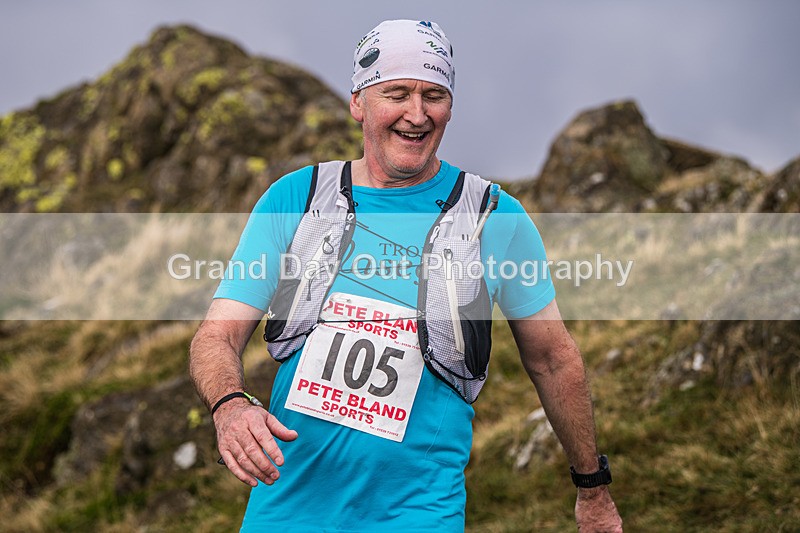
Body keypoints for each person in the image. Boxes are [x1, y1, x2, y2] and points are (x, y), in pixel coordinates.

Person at [189, 19, 622, 532]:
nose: (417, 114)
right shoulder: (296, 198)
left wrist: (593, 490)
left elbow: (553, 359)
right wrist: (229, 406)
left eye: (434, 96)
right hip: (285, 510)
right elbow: (217, 335)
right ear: (358, 102)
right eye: (397, 94)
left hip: (418, 514)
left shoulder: (493, 218)